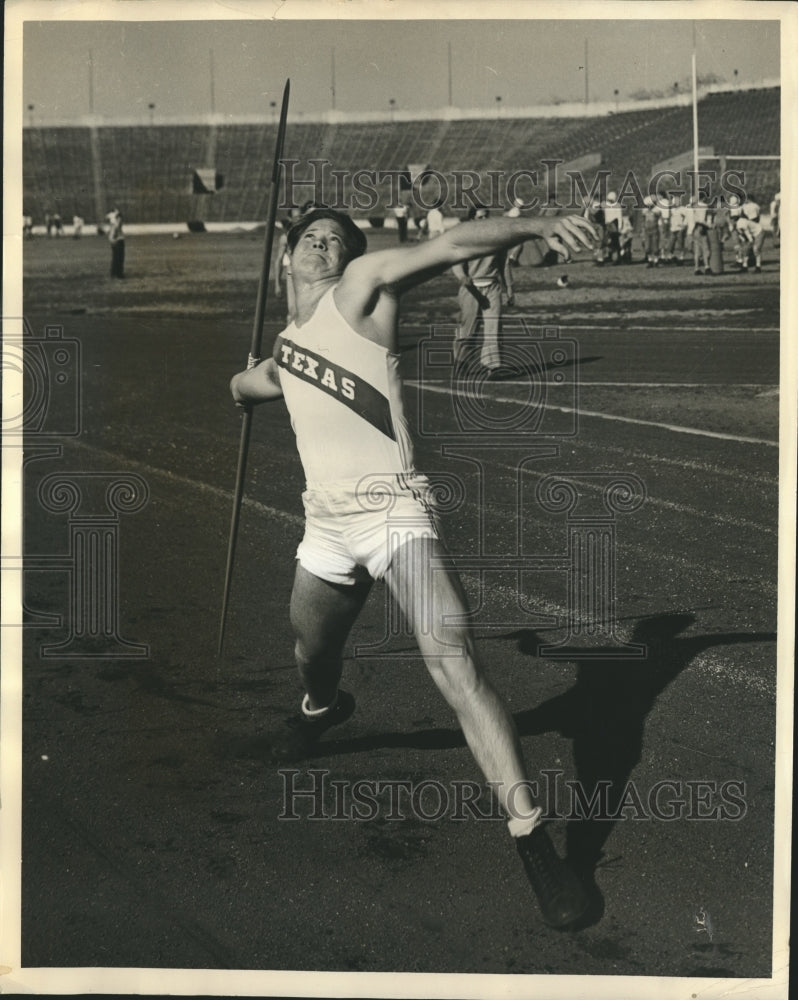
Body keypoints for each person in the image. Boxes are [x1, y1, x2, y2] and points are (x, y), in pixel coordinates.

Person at [229, 205, 597, 929]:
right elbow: (256, 384)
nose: (326, 244)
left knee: (453, 657)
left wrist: (534, 225)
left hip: (396, 513)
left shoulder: (362, 288)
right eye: (312, 237)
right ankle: (320, 709)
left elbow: (454, 241)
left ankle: (534, 844)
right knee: (312, 650)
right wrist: (239, 389)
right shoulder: (287, 346)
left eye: (338, 238)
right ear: (285, 258)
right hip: (328, 528)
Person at [451, 205, 510, 373]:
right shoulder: (464, 240)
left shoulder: (498, 239)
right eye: (480, 217)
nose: (484, 220)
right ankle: (461, 361)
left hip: (492, 287)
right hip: (471, 289)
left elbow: (504, 264)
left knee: (494, 327)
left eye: (486, 217)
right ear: (472, 219)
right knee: (469, 329)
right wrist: (463, 277)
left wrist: (510, 289)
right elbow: (456, 264)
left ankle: (492, 366)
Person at [107, 208, 125, 278]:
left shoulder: (112, 224)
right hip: (118, 240)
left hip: (113, 240)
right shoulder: (116, 222)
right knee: (119, 258)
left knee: (115, 257)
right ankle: (119, 274)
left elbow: (111, 231)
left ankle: (113, 273)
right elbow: (116, 228)